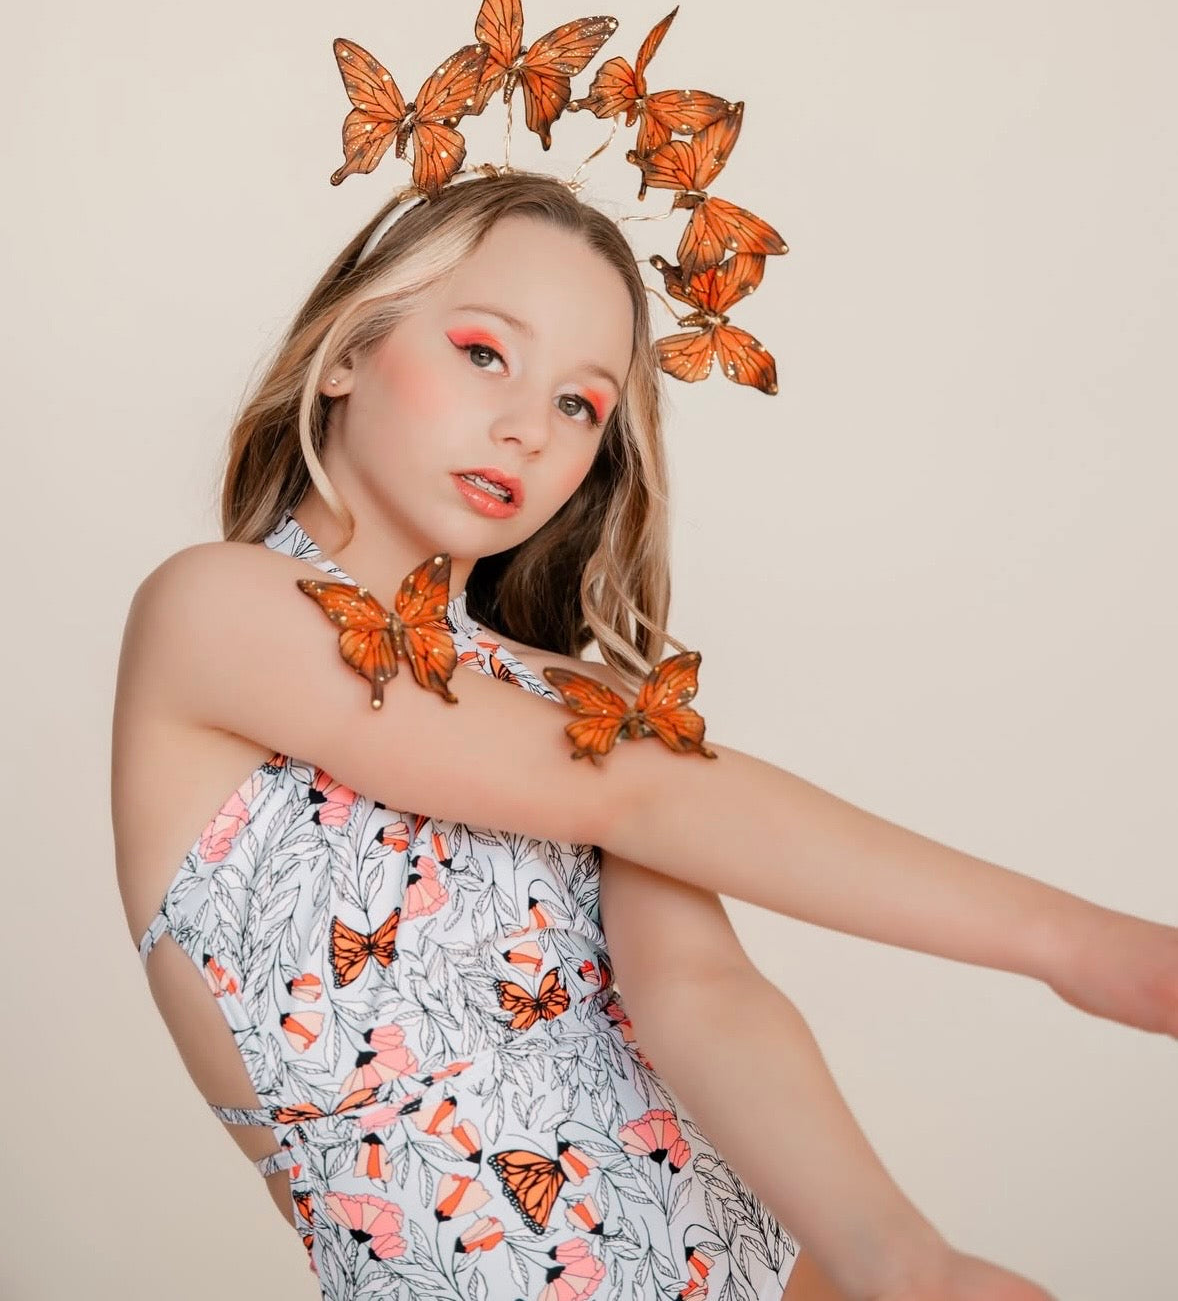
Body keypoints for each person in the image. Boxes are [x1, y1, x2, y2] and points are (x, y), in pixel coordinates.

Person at [111, 170, 1175, 1301]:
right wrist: (1079, 946)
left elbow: (697, 992)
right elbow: (638, 798)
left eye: (579, 404)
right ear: (342, 355)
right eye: (483, 352)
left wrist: (900, 1260)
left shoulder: (578, 701)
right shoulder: (215, 609)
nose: (525, 428)